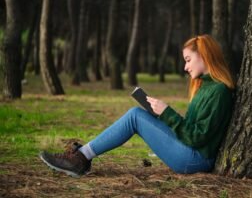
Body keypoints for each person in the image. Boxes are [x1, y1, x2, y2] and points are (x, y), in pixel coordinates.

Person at [39, 34, 236, 178]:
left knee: (135, 116)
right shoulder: (206, 86)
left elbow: (197, 137)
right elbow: (192, 130)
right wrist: (160, 114)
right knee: (138, 114)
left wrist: (167, 113)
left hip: (194, 159)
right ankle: (82, 157)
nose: (185, 67)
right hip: (190, 151)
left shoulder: (220, 91)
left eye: (188, 60)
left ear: (204, 55)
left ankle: (80, 159)